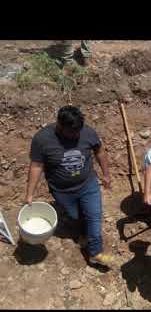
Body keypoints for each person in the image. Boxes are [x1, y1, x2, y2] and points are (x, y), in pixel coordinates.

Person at [25, 106, 115, 268]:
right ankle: (82, 233)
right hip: (62, 191)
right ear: (59, 126)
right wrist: (30, 194)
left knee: (94, 217)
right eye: (71, 132)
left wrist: (106, 175)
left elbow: (100, 151)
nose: (76, 135)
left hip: (88, 184)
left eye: (78, 131)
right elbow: (37, 165)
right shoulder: (42, 139)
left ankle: (95, 253)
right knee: (76, 216)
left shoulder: (87, 132)